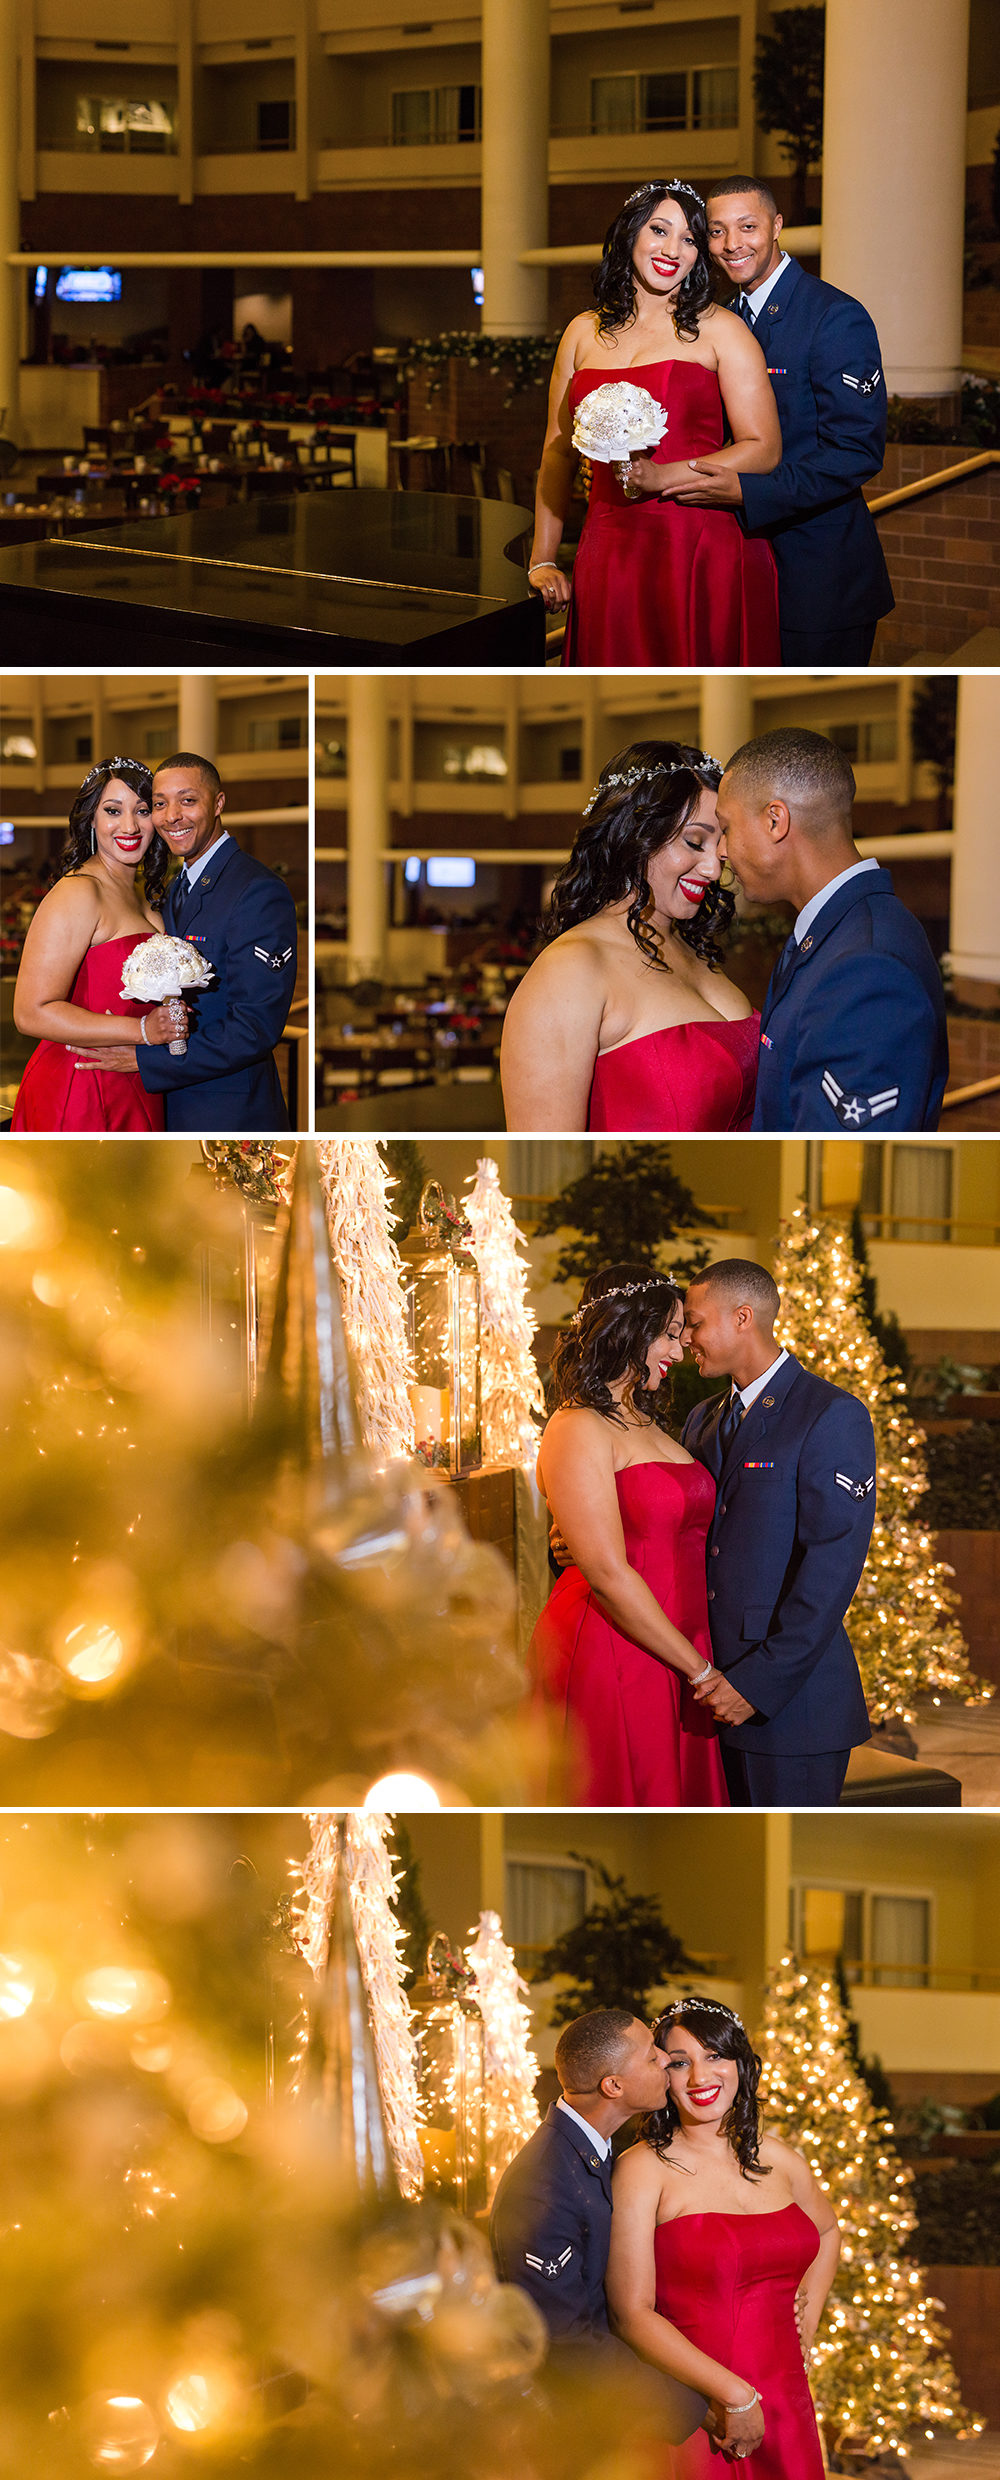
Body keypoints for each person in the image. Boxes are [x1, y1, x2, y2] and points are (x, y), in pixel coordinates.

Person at [529, 181, 781, 665]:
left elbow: (764, 447)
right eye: (659, 230)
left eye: (690, 238)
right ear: (629, 236)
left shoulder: (721, 330)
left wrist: (666, 476)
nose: (672, 249)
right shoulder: (582, 332)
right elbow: (557, 453)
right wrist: (543, 558)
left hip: (697, 543)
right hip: (608, 542)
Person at [607, 1997, 839, 2476]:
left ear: (740, 2064)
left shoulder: (780, 2158)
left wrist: (807, 2319)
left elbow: (828, 2229)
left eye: (714, 2056)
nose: (699, 2077)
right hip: (698, 2406)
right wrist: (732, 2396)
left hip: (784, 2397)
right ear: (660, 2075)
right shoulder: (641, 2169)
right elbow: (631, 2314)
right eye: (679, 2062)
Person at [490, 2009, 736, 2458]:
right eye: (650, 2057)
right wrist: (692, 2408)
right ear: (613, 2086)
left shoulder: (592, 2152)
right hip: (570, 2439)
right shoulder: (544, 2184)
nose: (665, 2060)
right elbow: (564, 2343)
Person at [529, 1266, 729, 1807]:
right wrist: (702, 1671)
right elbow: (609, 1572)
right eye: (668, 1333)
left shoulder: (650, 1420)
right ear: (628, 1331)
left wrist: (696, 1661)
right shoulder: (576, 1426)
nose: (680, 1351)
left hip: (679, 1642)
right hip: (616, 1642)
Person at [681, 1260, 875, 1809]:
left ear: (743, 1317)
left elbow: (831, 1570)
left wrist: (757, 1686)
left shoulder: (831, 1414)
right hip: (708, 1691)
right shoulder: (702, 1418)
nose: (686, 1338)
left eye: (695, 1323)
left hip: (791, 1708)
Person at [499, 743, 758, 1133]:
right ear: (634, 835)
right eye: (693, 842)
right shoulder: (571, 969)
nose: (711, 868)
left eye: (719, 846)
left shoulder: (695, 951)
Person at [692, 176, 893, 666]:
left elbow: (856, 451)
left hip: (819, 576)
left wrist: (748, 491)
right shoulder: (722, 319)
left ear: (777, 226)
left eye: (747, 226)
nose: (732, 244)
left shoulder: (834, 316)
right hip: (745, 564)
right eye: (717, 232)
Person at [716, 730, 949, 1132]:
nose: (721, 850)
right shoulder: (839, 929)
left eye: (727, 827)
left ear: (775, 820)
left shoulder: (867, 967)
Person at [71, 752, 298, 1133]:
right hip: (168, 1104)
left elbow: (255, 1027)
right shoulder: (178, 888)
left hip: (228, 1113)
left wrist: (145, 1061)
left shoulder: (257, 890)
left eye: (188, 801)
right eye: (160, 804)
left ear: (218, 803)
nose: (171, 816)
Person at [10, 756, 187, 1132]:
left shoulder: (144, 894)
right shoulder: (78, 892)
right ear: (92, 819)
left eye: (142, 811)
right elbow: (30, 1012)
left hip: (138, 1077)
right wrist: (142, 1032)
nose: (129, 826)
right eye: (112, 810)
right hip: (81, 1085)